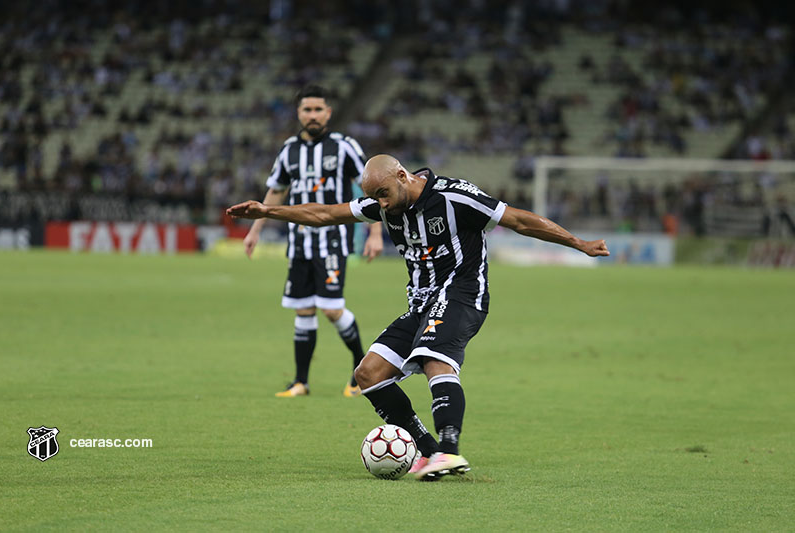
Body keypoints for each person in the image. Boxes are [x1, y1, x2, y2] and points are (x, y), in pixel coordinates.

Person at [228, 154, 609, 480]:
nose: (380, 204)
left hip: (462, 295)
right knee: (367, 374)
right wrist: (267, 211)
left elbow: (520, 220)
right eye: (373, 198)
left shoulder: (455, 197)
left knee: (431, 358)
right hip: (420, 304)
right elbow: (326, 213)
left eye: (383, 194)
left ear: (402, 176)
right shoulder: (381, 205)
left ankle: (450, 449)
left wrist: (579, 244)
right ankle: (426, 451)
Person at [243, 85, 383, 398]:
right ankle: (300, 382)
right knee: (303, 309)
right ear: (299, 114)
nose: (313, 115)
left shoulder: (343, 146)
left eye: (319, 109)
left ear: (328, 113)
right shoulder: (289, 149)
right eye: (307, 110)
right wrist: (255, 229)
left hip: (332, 238)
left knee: (331, 309)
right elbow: (276, 192)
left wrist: (375, 232)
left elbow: (371, 186)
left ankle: (361, 373)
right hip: (299, 240)